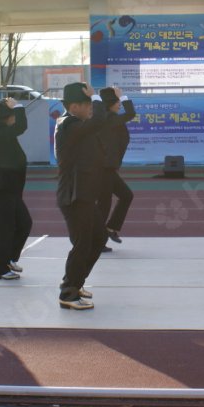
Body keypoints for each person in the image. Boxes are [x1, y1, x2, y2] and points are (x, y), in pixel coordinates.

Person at [55, 82, 110, 310]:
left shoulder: (78, 124)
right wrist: (96, 96)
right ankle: (68, 292)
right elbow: (100, 120)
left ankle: (75, 283)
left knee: (98, 238)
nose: (90, 109)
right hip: (74, 195)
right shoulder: (69, 124)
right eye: (87, 104)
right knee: (82, 245)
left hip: (84, 193)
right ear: (74, 106)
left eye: (91, 104)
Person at [0, 97, 32, 280]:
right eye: (12, 114)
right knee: (5, 228)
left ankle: (9, 258)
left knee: (24, 223)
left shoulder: (3, 131)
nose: (15, 118)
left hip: (10, 191)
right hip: (0, 191)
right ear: (7, 117)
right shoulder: (0, 131)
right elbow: (21, 127)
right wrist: (18, 106)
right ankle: (0, 269)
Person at [97, 86, 136, 249]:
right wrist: (124, 96)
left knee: (125, 196)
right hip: (103, 169)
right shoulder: (108, 118)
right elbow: (131, 114)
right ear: (110, 103)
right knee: (104, 205)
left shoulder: (111, 118)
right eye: (117, 101)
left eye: (120, 101)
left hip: (108, 168)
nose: (119, 104)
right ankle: (98, 240)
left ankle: (108, 230)